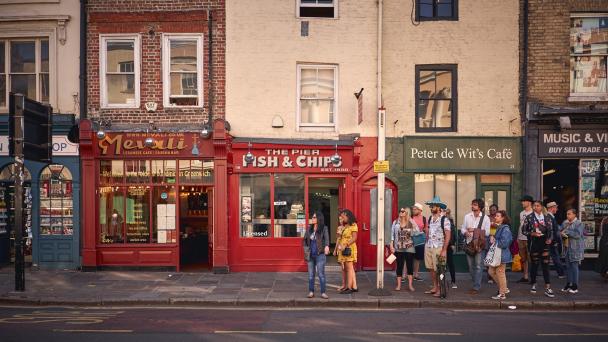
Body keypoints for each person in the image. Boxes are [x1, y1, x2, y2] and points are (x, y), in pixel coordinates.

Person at [522, 200, 555, 298]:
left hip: (545, 243)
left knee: (545, 265)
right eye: (534, 206)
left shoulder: (547, 217)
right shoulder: (529, 217)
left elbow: (551, 230)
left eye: (537, 206)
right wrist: (532, 233)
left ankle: (548, 287)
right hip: (534, 243)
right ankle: (533, 284)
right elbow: (524, 230)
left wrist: (550, 239)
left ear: (541, 207)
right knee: (535, 265)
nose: (535, 207)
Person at [461, 198, 491, 295]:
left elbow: (488, 232)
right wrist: (465, 232)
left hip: (479, 245)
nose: (472, 206)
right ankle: (476, 282)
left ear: (480, 207)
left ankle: (476, 286)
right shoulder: (467, 216)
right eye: (472, 204)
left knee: (478, 266)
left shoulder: (485, 218)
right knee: (470, 267)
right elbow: (462, 228)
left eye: (474, 204)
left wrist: (474, 230)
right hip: (469, 244)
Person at [422, 196, 451, 298]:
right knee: (431, 268)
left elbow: (448, 235)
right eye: (430, 206)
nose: (430, 207)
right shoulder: (430, 218)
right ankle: (435, 287)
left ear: (438, 207)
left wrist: (444, 250)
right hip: (429, 245)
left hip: (439, 247)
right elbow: (428, 231)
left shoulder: (445, 219)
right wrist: (426, 231)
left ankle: (441, 288)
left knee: (440, 270)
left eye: (432, 206)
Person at [390, 207, 421, 291]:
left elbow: (417, 231)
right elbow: (392, 235)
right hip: (398, 247)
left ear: (406, 213)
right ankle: (399, 285)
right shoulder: (395, 222)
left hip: (409, 247)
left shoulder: (410, 222)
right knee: (399, 266)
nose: (401, 212)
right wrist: (391, 245)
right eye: (400, 211)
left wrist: (413, 228)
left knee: (409, 266)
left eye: (403, 211)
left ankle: (410, 285)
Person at [303, 211, 330, 299]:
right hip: (310, 254)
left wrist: (326, 246)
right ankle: (311, 292)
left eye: (314, 217)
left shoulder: (324, 228)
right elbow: (304, 240)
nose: (312, 219)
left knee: (321, 274)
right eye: (312, 217)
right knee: (311, 275)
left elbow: (326, 239)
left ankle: (323, 292)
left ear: (319, 218)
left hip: (320, 254)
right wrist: (305, 248)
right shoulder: (309, 228)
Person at [489, 210, 513, 300]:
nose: (495, 217)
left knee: (500, 273)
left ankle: (502, 293)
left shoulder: (505, 228)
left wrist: (495, 240)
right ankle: (504, 288)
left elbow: (505, 243)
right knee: (491, 272)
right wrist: (492, 237)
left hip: (502, 255)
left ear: (503, 218)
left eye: (498, 216)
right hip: (496, 254)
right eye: (495, 216)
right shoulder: (497, 227)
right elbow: (492, 237)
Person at [560, 209, 585, 294]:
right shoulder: (565, 223)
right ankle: (568, 284)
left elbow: (577, 234)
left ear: (574, 215)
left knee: (574, 266)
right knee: (568, 267)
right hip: (567, 248)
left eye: (569, 214)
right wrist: (560, 232)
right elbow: (560, 231)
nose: (567, 216)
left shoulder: (579, 223)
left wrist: (566, 231)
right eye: (567, 214)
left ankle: (575, 286)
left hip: (575, 248)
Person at [337, 209, 358, 294]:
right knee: (345, 268)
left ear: (348, 216)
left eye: (343, 217)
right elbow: (340, 237)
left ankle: (349, 287)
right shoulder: (345, 226)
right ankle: (347, 286)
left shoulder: (353, 225)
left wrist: (346, 244)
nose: (342, 218)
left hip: (349, 249)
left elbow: (354, 238)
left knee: (349, 268)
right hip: (343, 249)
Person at [516, 195, 534, 283]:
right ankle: (525, 276)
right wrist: (518, 237)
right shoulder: (521, 213)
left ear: (529, 202)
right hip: (520, 238)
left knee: (531, 257)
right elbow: (521, 225)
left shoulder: (533, 213)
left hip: (529, 238)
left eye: (524, 201)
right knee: (523, 258)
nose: (522, 203)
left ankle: (533, 277)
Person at [546, 201, 565, 279]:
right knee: (555, 257)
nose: (557, 209)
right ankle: (561, 273)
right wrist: (555, 241)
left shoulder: (550, 217)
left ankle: (560, 273)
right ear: (551, 208)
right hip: (552, 240)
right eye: (555, 207)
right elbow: (551, 230)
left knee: (554, 256)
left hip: (551, 240)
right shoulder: (549, 217)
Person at [411, 203, 427, 282]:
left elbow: (426, 229)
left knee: (418, 258)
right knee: (407, 257)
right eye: (413, 209)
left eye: (415, 209)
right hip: (410, 240)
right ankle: (404, 275)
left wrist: (427, 239)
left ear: (420, 210)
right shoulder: (410, 217)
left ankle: (416, 274)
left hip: (420, 241)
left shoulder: (424, 218)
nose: (413, 210)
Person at [486, 204, 499, 284]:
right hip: (488, 238)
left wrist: (495, 225)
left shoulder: (498, 217)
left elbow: (501, 226)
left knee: (496, 257)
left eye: (494, 210)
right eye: (491, 210)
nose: (492, 211)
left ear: (497, 210)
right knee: (489, 257)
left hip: (497, 238)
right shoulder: (487, 217)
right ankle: (489, 276)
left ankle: (496, 275)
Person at [444, 208, 458, 289]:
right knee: (441, 265)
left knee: (450, 263)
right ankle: (441, 281)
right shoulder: (440, 220)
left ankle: (453, 281)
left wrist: (452, 243)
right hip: (440, 244)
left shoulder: (450, 221)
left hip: (449, 245)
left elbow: (452, 233)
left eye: (447, 213)